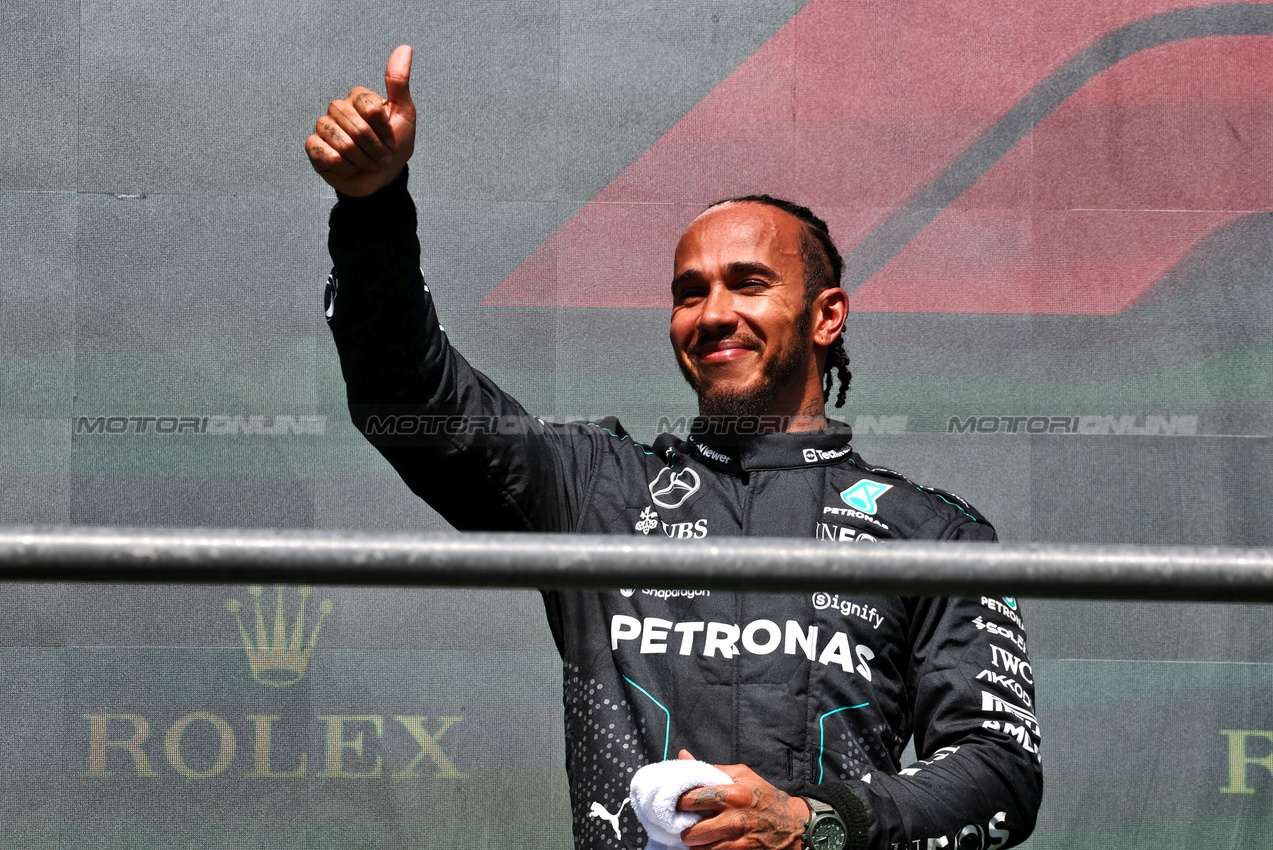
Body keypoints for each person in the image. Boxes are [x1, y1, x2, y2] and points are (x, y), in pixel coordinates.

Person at [307, 46, 1042, 850]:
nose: (713, 313)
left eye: (748, 283)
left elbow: (996, 769)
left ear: (826, 316)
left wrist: (814, 823)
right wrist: (373, 210)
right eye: (689, 293)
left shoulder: (930, 532)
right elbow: (414, 402)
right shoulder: (597, 491)